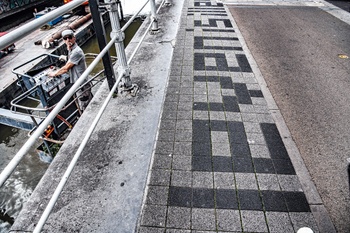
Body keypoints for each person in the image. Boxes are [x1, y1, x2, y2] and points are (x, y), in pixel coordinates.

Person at [48, 29, 92, 111]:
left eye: (70, 37)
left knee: (84, 104)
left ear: (74, 38)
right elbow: (70, 60)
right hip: (79, 82)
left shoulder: (76, 52)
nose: (68, 40)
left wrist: (53, 74)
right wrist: (67, 54)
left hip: (81, 84)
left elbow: (65, 69)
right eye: (65, 38)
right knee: (87, 99)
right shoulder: (71, 49)